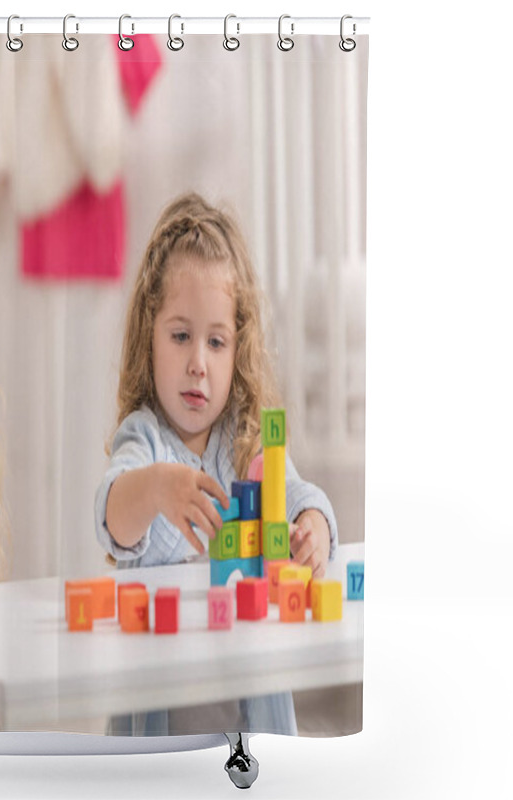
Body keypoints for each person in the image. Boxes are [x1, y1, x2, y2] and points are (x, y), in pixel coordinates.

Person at [94, 192, 338, 736]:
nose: (197, 364)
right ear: (148, 341)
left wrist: (314, 529)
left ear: (238, 350)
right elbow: (111, 516)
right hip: (164, 721)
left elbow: (298, 494)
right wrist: (156, 489)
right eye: (180, 336)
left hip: (249, 716)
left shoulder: (245, 440)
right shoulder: (146, 438)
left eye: (216, 342)